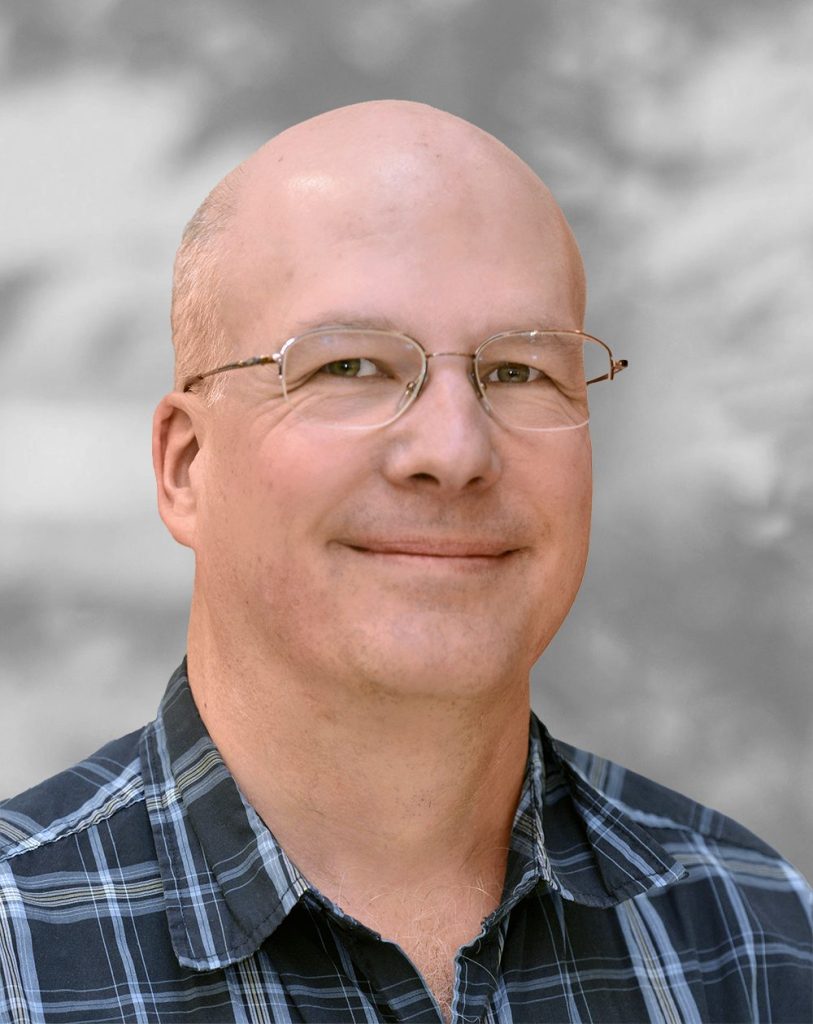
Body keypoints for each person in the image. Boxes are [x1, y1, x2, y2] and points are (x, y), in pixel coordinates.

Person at [0, 100, 810, 1024]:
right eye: (350, 367)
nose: (455, 449)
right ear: (187, 466)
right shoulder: (16, 948)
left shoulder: (759, 937)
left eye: (520, 371)